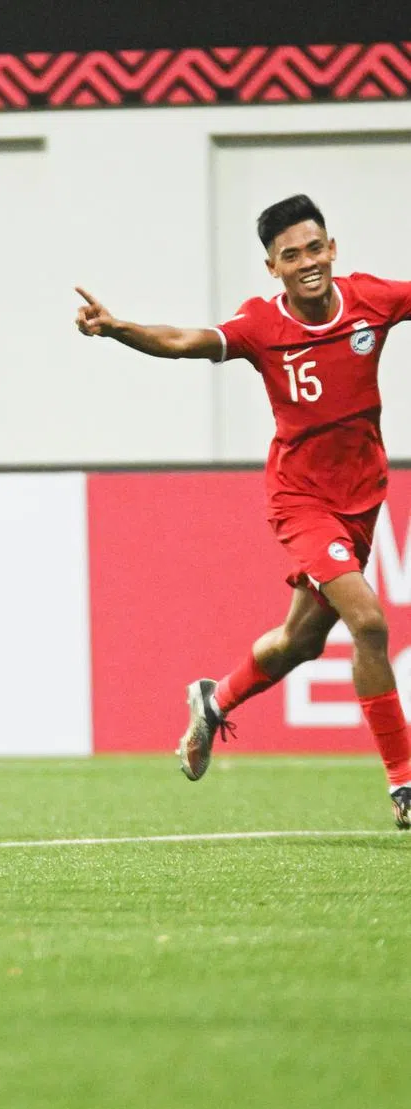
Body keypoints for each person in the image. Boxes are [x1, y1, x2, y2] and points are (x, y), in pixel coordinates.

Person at [75, 193, 411, 828]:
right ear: (272, 268)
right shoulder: (263, 324)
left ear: (332, 249)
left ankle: (215, 697)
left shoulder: (373, 299)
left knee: (302, 642)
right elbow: (183, 341)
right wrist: (119, 329)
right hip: (302, 500)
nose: (308, 262)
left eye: (316, 248)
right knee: (368, 622)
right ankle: (405, 784)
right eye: (292, 255)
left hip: (362, 497)